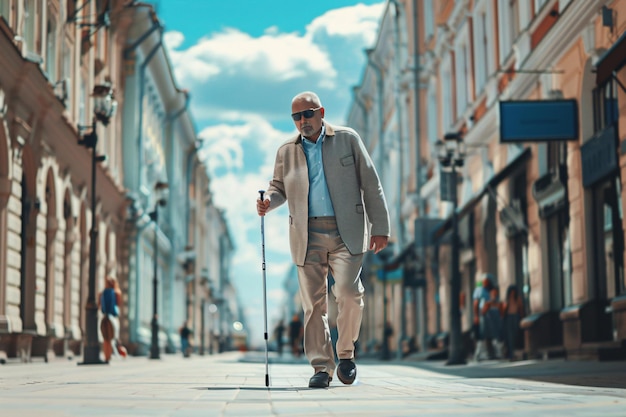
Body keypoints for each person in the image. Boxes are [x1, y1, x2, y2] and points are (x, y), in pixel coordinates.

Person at [257, 91, 390, 388]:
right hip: (306, 233)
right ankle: (321, 367)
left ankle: (346, 354)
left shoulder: (347, 139)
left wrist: (380, 226)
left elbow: (370, 182)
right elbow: (278, 187)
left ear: (321, 112)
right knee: (314, 305)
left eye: (308, 114)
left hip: (348, 230)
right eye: (296, 117)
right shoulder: (286, 151)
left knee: (348, 292)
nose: (302, 121)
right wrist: (269, 201)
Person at [98, 276, 126, 362]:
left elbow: (99, 304)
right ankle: (109, 356)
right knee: (111, 338)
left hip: (105, 317)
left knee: (105, 338)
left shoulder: (102, 293)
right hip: (113, 317)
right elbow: (118, 304)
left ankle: (106, 356)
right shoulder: (117, 292)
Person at [472, 274, 493, 361]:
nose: (486, 282)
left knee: (489, 335)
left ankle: (489, 353)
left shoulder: (489, 290)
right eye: (484, 281)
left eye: (487, 281)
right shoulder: (479, 290)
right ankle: (478, 354)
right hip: (482, 315)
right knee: (481, 335)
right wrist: (476, 316)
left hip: (490, 315)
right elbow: (476, 304)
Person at [481, 286, 505, 359]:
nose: (494, 294)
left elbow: (502, 314)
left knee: (497, 340)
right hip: (489, 324)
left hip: (497, 323)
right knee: (489, 340)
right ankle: (490, 354)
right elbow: (483, 312)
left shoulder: (499, 303)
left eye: (495, 293)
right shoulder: (487, 303)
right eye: (493, 293)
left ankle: (498, 354)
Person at [503, 285, 525, 360]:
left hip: (515, 316)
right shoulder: (507, 299)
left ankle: (514, 353)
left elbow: (520, 307)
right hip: (509, 317)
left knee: (515, 334)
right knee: (510, 336)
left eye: (513, 292)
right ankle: (511, 354)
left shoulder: (517, 298)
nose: (512, 293)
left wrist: (521, 317)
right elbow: (504, 309)